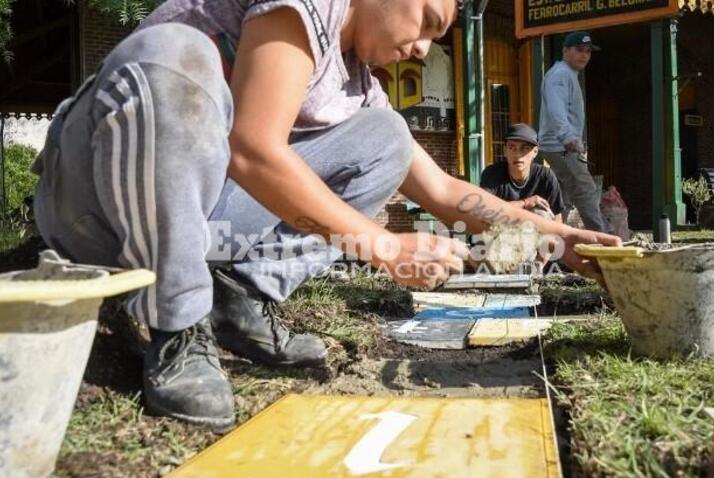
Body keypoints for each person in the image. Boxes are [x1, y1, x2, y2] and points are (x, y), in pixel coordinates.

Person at [32, 0, 620, 429]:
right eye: (428, 23)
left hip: (191, 219)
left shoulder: (356, 82)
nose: (422, 49)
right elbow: (253, 148)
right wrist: (385, 247)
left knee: (387, 137)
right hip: (95, 202)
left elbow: (441, 189)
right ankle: (177, 326)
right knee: (175, 55)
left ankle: (238, 297)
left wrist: (560, 238)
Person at [538, 31, 609, 232]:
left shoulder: (565, 74)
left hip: (560, 145)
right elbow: (556, 108)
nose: (584, 55)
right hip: (560, 146)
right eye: (579, 50)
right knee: (585, 190)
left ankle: (557, 241)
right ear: (565, 51)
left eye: (588, 51)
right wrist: (567, 137)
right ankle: (604, 239)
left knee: (565, 197)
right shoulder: (560, 74)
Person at [481, 123, 565, 223]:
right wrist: (525, 203)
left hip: (535, 234)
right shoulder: (492, 174)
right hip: (501, 232)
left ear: (535, 152)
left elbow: (557, 217)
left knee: (541, 212)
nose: (518, 154)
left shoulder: (545, 176)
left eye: (525, 148)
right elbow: (484, 211)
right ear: (505, 151)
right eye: (512, 148)